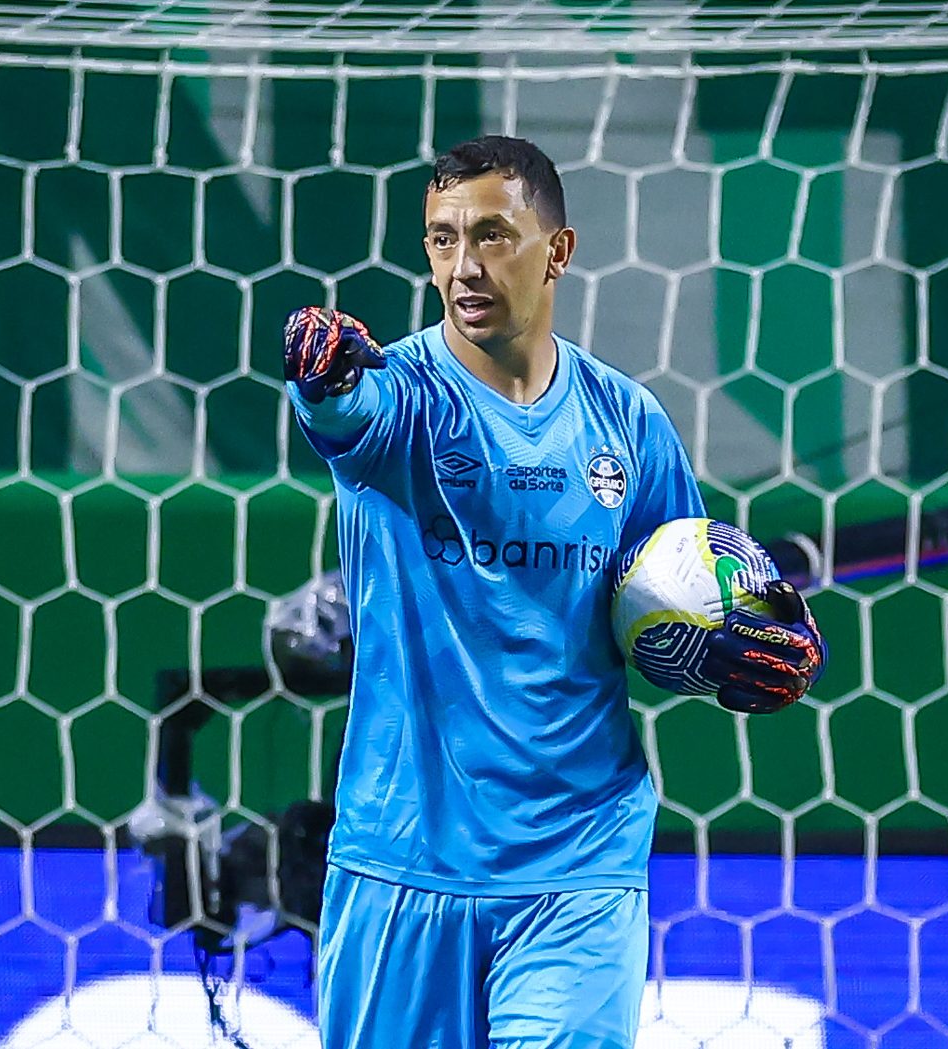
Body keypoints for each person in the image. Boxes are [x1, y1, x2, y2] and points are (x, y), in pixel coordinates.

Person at [282, 135, 826, 1049]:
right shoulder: (401, 393)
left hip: (580, 859)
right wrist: (323, 378)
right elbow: (345, 414)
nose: (463, 265)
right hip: (404, 857)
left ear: (557, 251)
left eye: (492, 235)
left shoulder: (627, 420)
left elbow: (673, 600)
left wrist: (740, 652)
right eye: (441, 239)